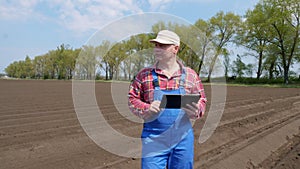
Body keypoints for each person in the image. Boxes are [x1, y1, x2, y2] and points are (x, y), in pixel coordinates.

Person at [128, 30, 207, 169]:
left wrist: (196, 111)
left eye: (163, 45)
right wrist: (147, 108)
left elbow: (202, 101)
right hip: (154, 138)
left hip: (183, 138)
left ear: (175, 48)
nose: (157, 49)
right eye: (156, 45)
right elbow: (132, 99)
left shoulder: (190, 75)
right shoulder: (144, 75)